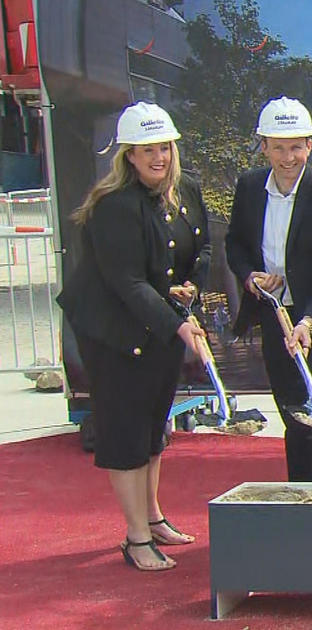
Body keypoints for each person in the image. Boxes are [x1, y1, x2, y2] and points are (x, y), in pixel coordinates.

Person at [57, 102, 209, 570]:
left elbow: (197, 250)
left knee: (152, 427)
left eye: (163, 147)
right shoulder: (114, 207)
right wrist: (180, 324)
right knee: (125, 431)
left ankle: (154, 516)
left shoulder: (185, 190)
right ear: (128, 155)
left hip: (159, 321)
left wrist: (188, 289)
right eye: (146, 150)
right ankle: (136, 537)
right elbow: (127, 283)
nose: (158, 157)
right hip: (114, 332)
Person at [225, 96, 312, 482]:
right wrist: (250, 277)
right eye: (278, 147)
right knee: (292, 414)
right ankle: (301, 502)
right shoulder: (250, 187)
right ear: (264, 146)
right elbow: (235, 244)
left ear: (309, 145)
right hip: (275, 319)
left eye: (296, 147)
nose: (288, 158)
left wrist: (307, 322)